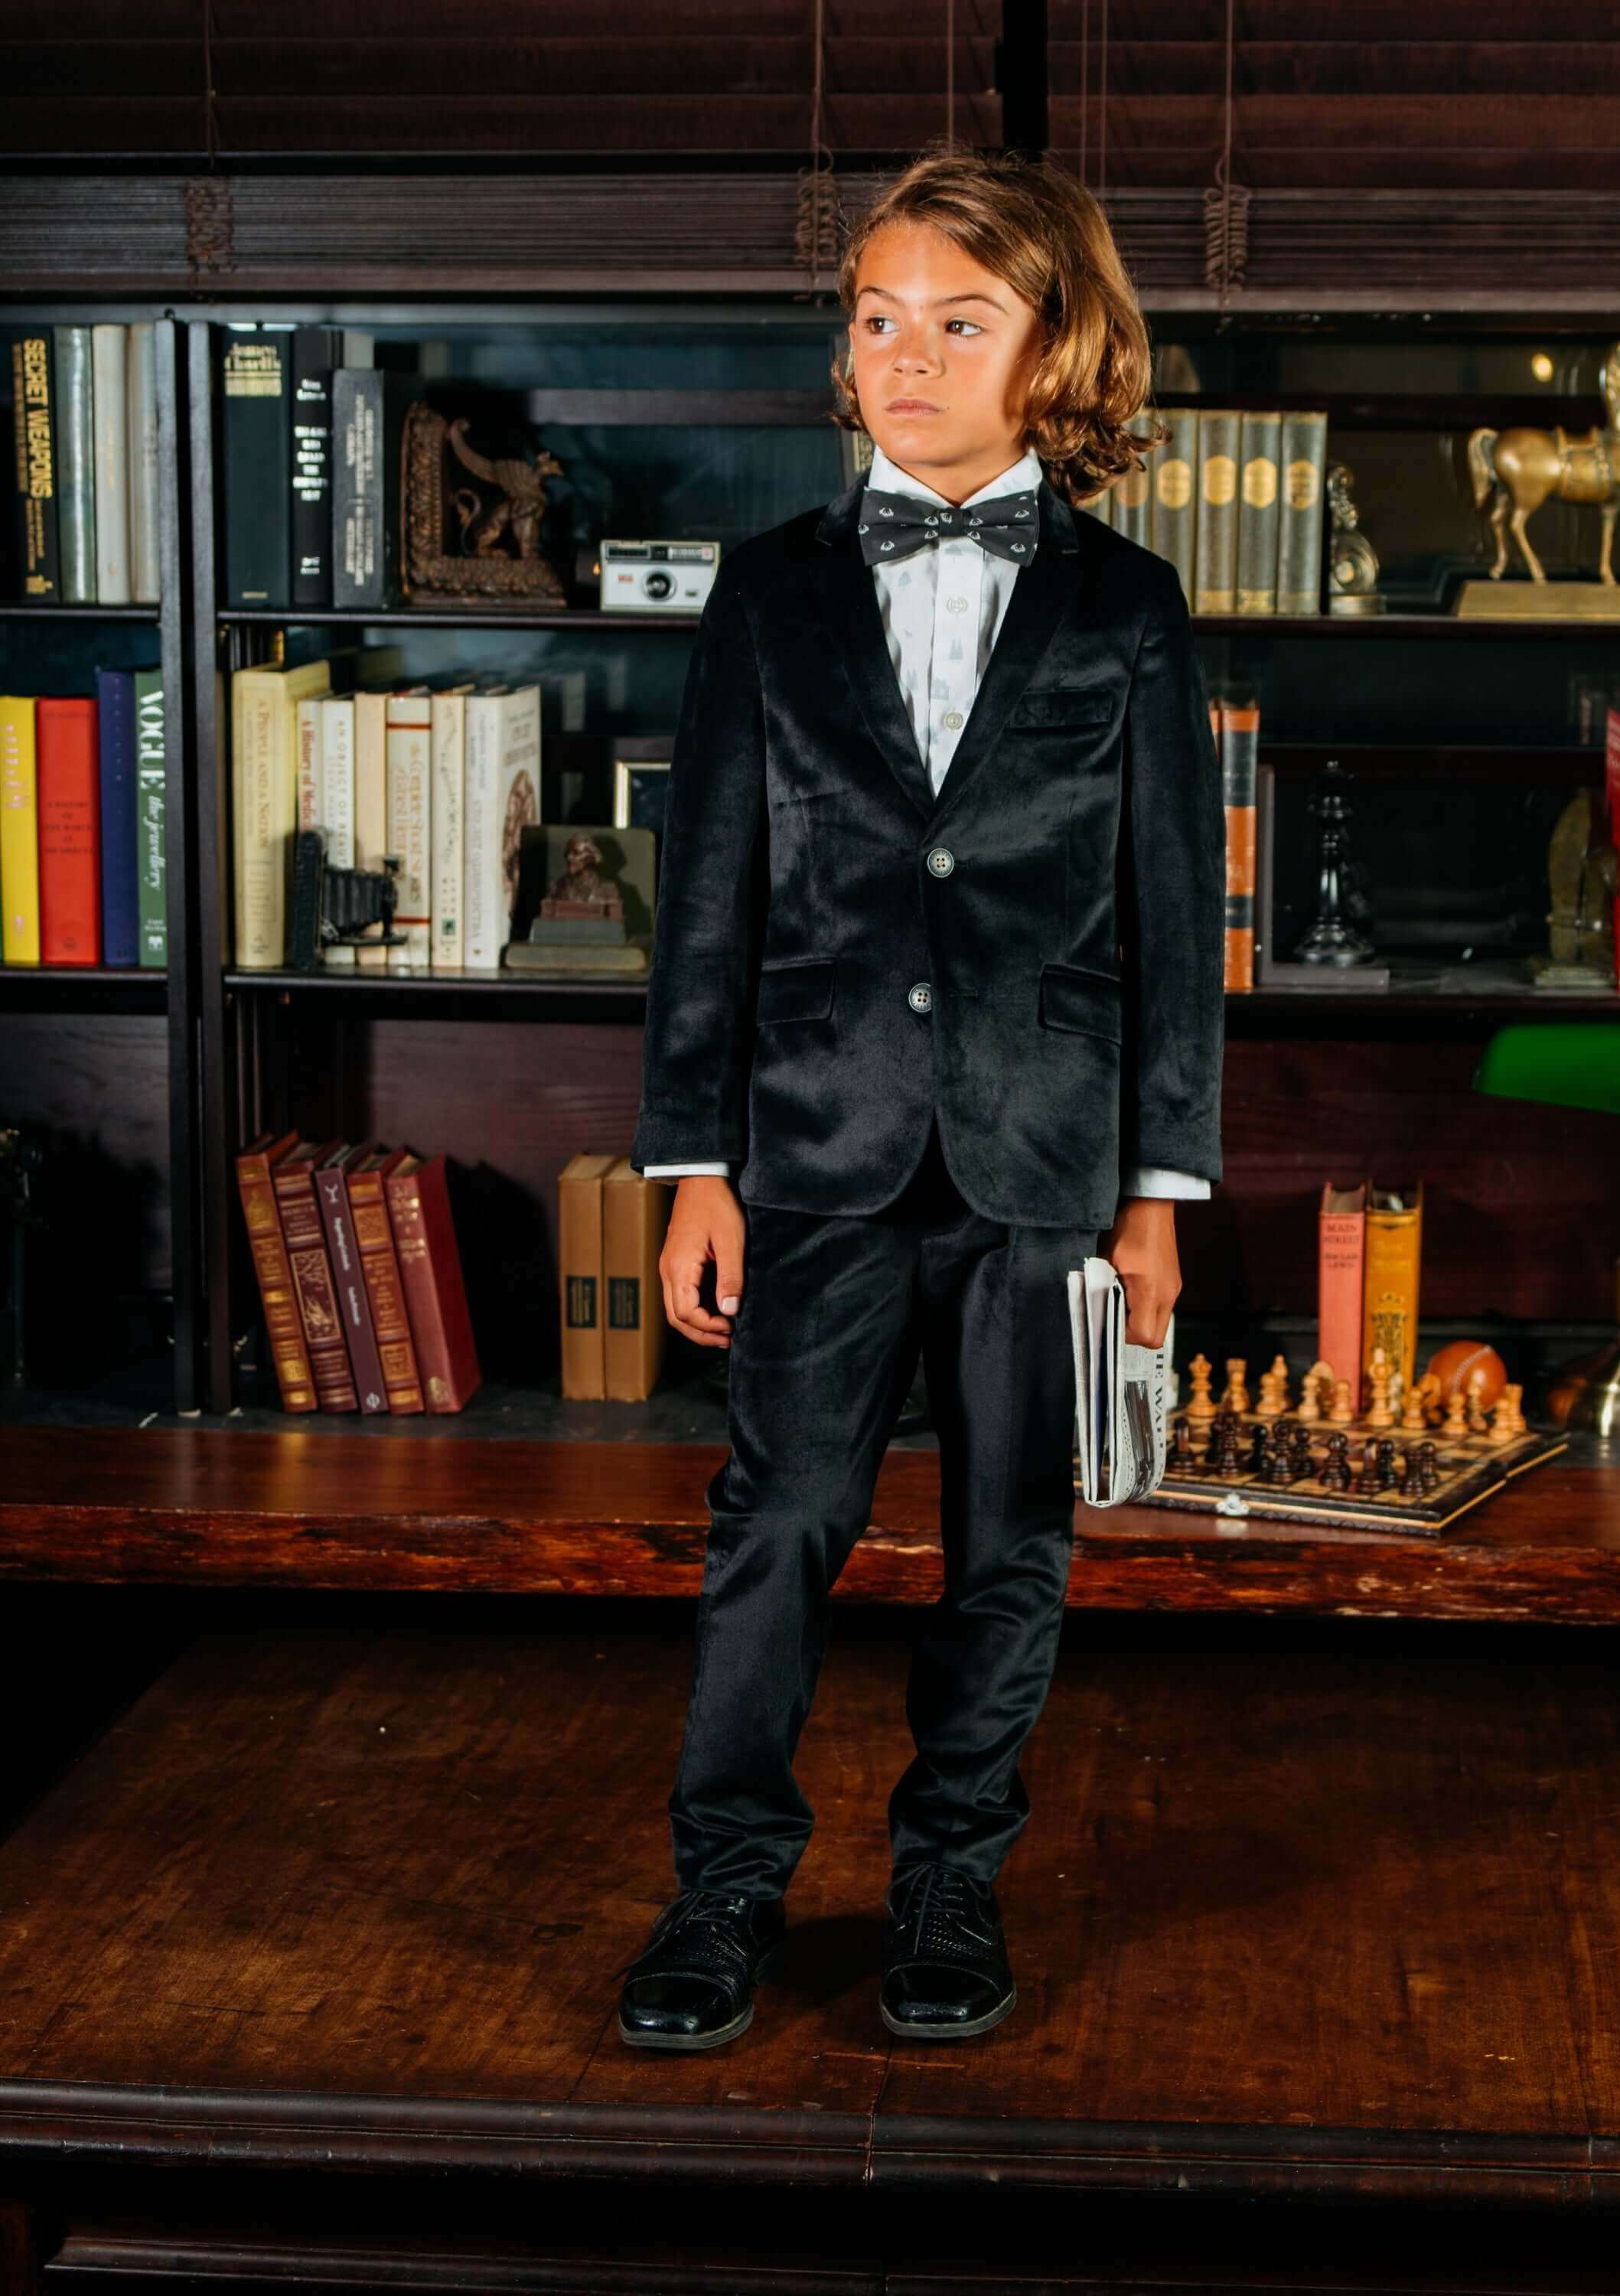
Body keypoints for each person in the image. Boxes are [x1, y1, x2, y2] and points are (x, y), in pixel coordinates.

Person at [619, 142, 1225, 2050]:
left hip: (1048, 1165)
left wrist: (1161, 1197)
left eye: (961, 324)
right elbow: (707, 899)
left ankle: (952, 1877)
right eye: (879, 320)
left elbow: (1175, 923)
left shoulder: (1131, 608)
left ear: (1056, 351)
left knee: (1011, 1545)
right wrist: (694, 1163)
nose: (908, 356)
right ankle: (725, 1885)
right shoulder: (768, 593)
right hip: (814, 1149)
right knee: (777, 1522)